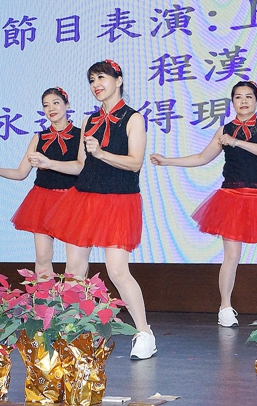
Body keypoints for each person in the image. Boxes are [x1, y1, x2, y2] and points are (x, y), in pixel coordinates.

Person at [30, 60, 156, 360]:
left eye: (101, 77)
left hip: (119, 200)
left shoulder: (133, 118)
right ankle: (74, 331)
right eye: (91, 80)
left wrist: (102, 152)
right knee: (73, 270)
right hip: (85, 198)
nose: (96, 84)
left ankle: (144, 333)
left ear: (118, 80)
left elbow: (135, 163)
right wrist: (49, 163)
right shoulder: (89, 121)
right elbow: (80, 166)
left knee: (117, 271)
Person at [150, 80, 257, 327]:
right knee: (231, 255)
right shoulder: (224, 130)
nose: (244, 101)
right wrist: (168, 160)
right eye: (238, 97)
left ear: (256, 100)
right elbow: (202, 157)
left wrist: (236, 142)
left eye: (248, 96)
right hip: (232, 198)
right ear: (232, 101)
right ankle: (225, 306)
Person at [0, 87, 79, 279]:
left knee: (75, 263)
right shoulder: (38, 138)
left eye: (56, 103)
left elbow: (81, 167)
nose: (51, 108)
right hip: (43, 200)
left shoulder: (81, 136)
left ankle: (74, 299)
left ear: (67, 105)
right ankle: (44, 298)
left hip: (72, 201)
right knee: (42, 257)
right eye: (46, 105)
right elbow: (21, 173)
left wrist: (50, 163)